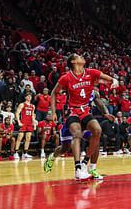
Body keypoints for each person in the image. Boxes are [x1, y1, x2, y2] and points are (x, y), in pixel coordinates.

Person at [49, 53, 117, 181]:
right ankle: (78, 169)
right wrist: (53, 113)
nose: (83, 57)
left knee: (97, 131)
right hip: (72, 111)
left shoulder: (90, 72)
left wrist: (114, 80)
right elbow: (54, 93)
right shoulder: (66, 78)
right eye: (79, 56)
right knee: (74, 137)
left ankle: (86, 164)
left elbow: (106, 79)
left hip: (85, 110)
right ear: (73, 61)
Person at [14, 92, 36, 159]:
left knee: (28, 138)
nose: (29, 97)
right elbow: (17, 113)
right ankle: (16, 152)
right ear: (25, 97)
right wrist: (19, 122)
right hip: (23, 122)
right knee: (20, 137)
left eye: (30, 96)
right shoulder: (22, 104)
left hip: (29, 123)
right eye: (28, 96)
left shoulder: (32, 106)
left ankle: (25, 152)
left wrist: (34, 123)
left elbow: (32, 115)